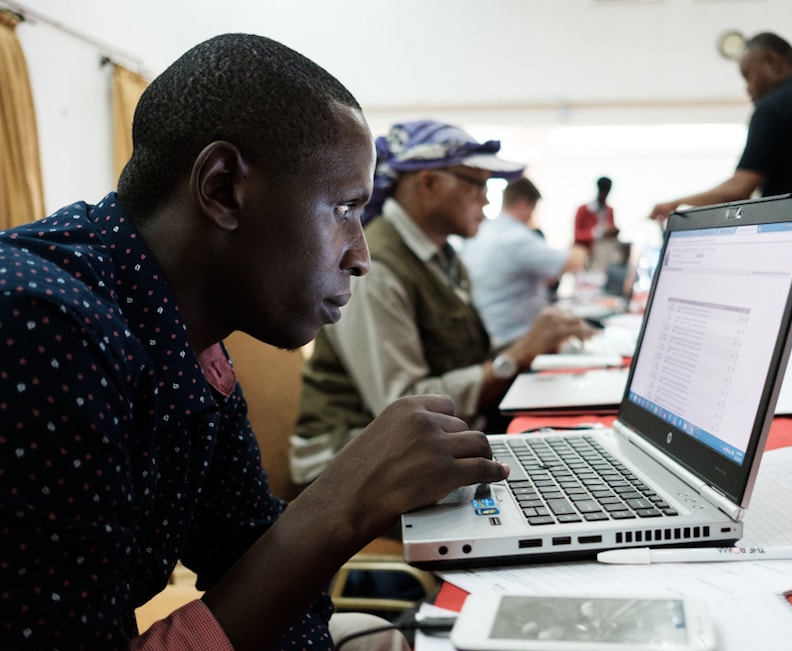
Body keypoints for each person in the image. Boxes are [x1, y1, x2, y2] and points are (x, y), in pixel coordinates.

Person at [0, 35, 510, 651]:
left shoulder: (188, 337)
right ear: (221, 189)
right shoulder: (43, 327)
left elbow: (250, 555)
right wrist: (340, 504)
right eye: (344, 208)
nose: (361, 256)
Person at [290, 120, 594, 485]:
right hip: (348, 466)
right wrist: (516, 356)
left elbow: (459, 356)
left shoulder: (444, 256)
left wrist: (533, 345)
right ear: (429, 183)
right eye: (478, 184)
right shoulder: (377, 271)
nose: (486, 199)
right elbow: (403, 411)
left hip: (419, 449)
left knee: (566, 458)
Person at [650, 32, 792, 302]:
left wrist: (679, 203)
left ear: (773, 62)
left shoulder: (772, 109)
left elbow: (740, 188)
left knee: (787, 337)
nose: (747, 87)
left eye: (748, 75)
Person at [461, 176, 589, 345]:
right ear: (523, 203)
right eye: (533, 209)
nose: (531, 217)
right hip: (514, 336)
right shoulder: (516, 237)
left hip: (492, 330)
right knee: (586, 339)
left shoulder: (484, 230)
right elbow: (574, 263)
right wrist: (581, 246)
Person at [574, 176, 621, 272]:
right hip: (586, 256)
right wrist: (599, 233)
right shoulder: (583, 210)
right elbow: (577, 235)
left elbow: (612, 229)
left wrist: (612, 232)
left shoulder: (609, 211)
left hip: (605, 257)